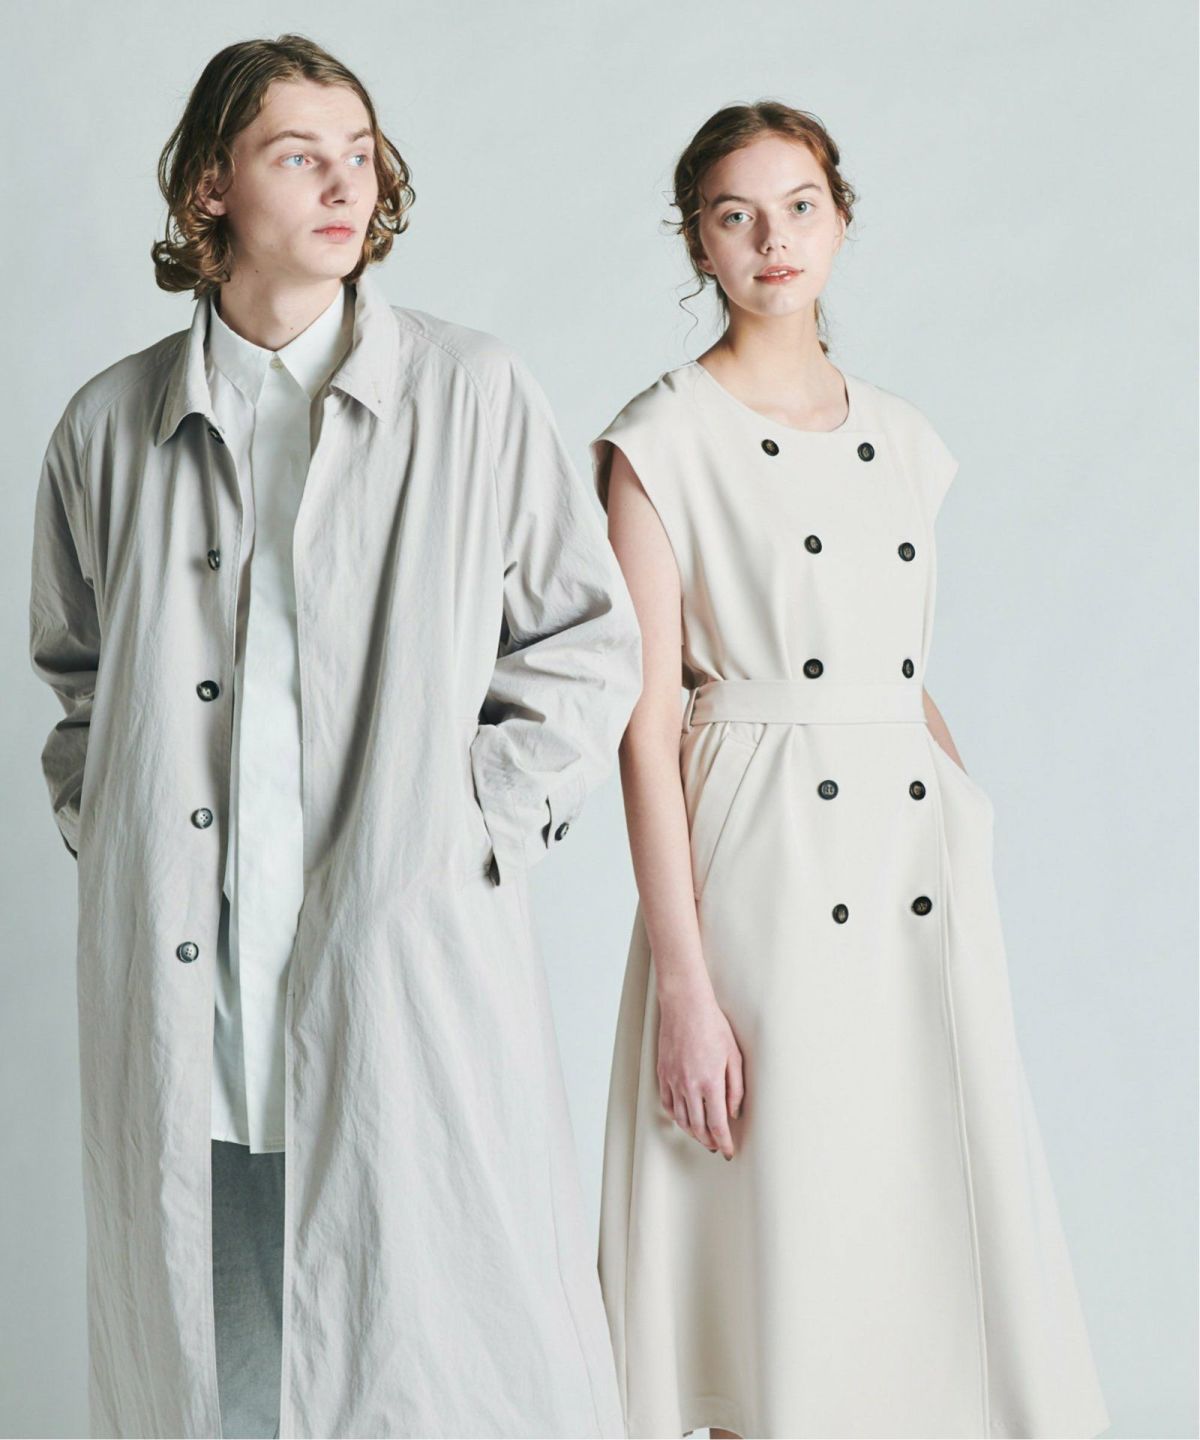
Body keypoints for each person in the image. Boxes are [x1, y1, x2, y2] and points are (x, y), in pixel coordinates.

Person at [29, 33, 639, 1439]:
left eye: (359, 154)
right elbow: (76, 678)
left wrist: (466, 832)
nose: (344, 184)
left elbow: (583, 640)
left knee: (443, 1350)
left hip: (401, 956)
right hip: (193, 974)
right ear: (210, 189)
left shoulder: (471, 392)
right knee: (216, 1367)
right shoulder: (109, 426)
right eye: (299, 155)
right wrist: (110, 826)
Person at [591, 100, 1111, 1440]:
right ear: (698, 243)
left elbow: (891, 668)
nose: (773, 238)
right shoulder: (661, 440)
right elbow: (645, 728)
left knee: (926, 1231)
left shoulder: (906, 438)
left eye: (800, 206)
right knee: (773, 1230)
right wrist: (685, 988)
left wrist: (965, 810)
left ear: (840, 220)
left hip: (910, 867)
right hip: (760, 869)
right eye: (736, 215)